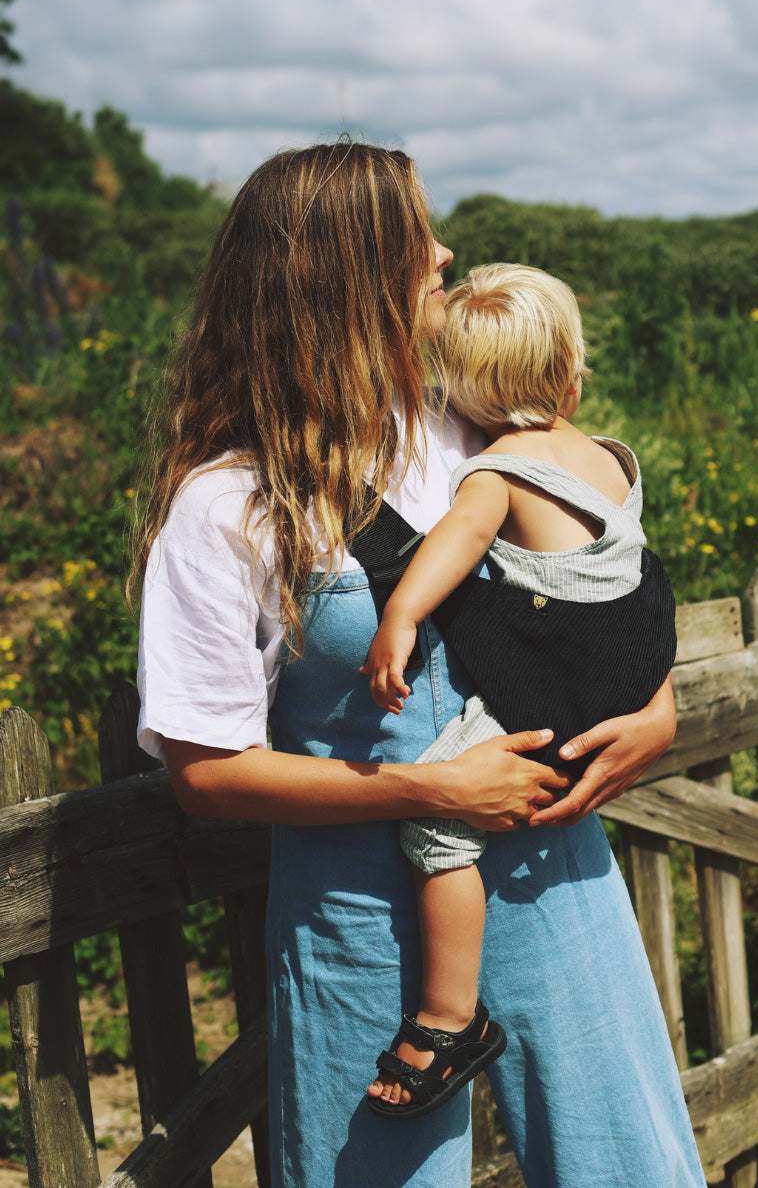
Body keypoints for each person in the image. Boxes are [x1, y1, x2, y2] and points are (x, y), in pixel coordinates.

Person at [131, 141, 706, 1188]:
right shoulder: (227, 507)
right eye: (414, 240)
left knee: (630, 1169)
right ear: (346, 275)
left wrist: (657, 709)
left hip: (554, 878)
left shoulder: (478, 427)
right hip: (361, 921)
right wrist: (430, 788)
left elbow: (600, 586)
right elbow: (202, 773)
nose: (443, 252)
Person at [362, 262, 678, 1120]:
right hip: (626, 678)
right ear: (572, 368)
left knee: (435, 827)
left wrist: (401, 616)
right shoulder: (608, 457)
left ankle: (449, 1014)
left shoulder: (498, 469)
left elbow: (459, 541)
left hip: (552, 684)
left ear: (460, 396)